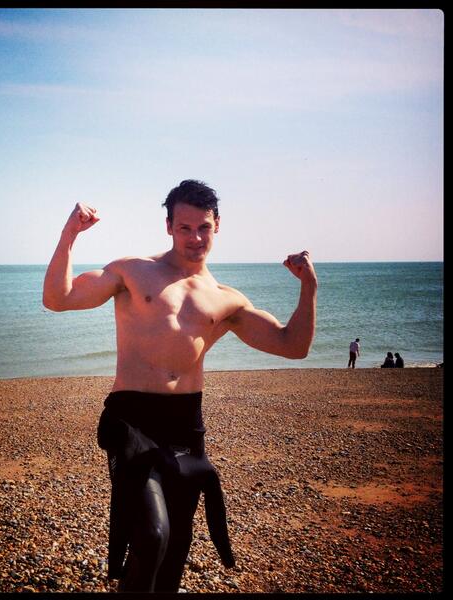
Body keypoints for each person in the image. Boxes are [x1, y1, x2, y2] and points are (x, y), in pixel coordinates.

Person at [43, 179, 318, 593]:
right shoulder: (133, 272)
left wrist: (309, 287)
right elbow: (58, 298)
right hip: (132, 420)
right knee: (153, 536)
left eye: (204, 227)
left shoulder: (226, 299)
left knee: (175, 554)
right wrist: (69, 236)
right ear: (169, 226)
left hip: (186, 427)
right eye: (185, 227)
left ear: (217, 226)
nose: (195, 238)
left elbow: (292, 345)